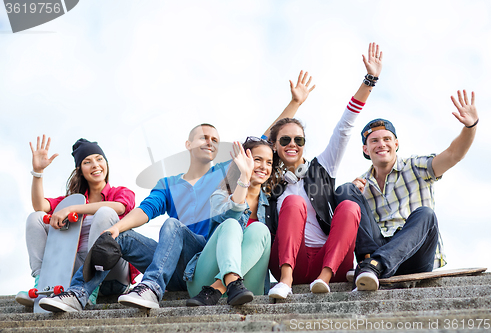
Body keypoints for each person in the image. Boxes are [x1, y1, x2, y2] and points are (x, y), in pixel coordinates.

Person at [39, 71, 315, 312]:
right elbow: (144, 211)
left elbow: (260, 142)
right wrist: (117, 229)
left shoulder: (222, 174)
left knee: (173, 226)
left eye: (216, 140)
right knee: (116, 237)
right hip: (174, 261)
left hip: (205, 255)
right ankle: (77, 294)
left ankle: (150, 288)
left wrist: (295, 103)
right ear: (188, 144)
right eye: (204, 137)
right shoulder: (168, 183)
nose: (211, 142)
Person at [265, 43, 383, 299]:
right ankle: (285, 281)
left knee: (350, 207)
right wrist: (295, 104)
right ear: (276, 146)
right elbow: (259, 144)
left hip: (330, 259)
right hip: (290, 261)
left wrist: (369, 80)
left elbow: (345, 126)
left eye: (299, 139)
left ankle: (324, 279)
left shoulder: (322, 167)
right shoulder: (270, 179)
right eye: (284, 140)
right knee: (294, 202)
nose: (292, 144)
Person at [338, 90, 479, 291]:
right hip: (378, 249)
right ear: (365, 150)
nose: (381, 144)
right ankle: (371, 264)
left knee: (426, 214)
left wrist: (470, 126)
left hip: (415, 256)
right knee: (345, 191)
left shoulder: (416, 167)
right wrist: (353, 196)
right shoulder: (362, 185)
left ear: (396, 144)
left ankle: (374, 265)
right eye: (374, 141)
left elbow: (454, 154)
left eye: (387, 139)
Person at [16, 136, 135, 306]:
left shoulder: (121, 192)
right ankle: (43, 283)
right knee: (35, 218)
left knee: (104, 212)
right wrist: (38, 173)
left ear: (106, 164)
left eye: (99, 159)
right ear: (80, 170)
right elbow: (39, 206)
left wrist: (72, 210)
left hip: (112, 272)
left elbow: (120, 207)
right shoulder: (72, 201)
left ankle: (88, 289)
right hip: (79, 270)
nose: (95, 164)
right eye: (87, 161)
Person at [185, 138, 274, 306]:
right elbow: (231, 215)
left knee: (260, 229)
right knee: (232, 224)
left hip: (245, 289)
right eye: (257, 160)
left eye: (269, 162)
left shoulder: (272, 205)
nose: (264, 166)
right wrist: (245, 177)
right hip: (204, 282)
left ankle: (219, 287)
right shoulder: (220, 195)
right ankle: (228, 281)